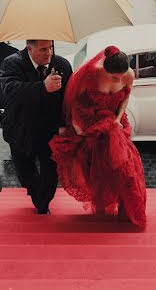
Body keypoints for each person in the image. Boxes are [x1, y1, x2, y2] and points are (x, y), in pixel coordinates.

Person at [50, 45, 147, 227]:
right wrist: (78, 127)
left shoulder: (129, 75)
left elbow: (125, 98)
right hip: (92, 122)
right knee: (96, 168)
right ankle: (102, 204)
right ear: (105, 70)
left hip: (115, 123)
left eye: (121, 75)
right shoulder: (91, 74)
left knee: (126, 166)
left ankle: (127, 208)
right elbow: (76, 102)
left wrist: (117, 119)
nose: (119, 79)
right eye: (113, 77)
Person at [0, 40, 72, 214]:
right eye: (43, 50)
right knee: (25, 173)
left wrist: (67, 125)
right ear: (29, 48)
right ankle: (35, 192)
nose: (48, 53)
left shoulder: (61, 64)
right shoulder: (12, 63)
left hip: (50, 129)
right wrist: (43, 87)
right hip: (21, 128)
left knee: (51, 173)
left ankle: (43, 203)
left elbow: (70, 98)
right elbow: (10, 91)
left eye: (51, 48)